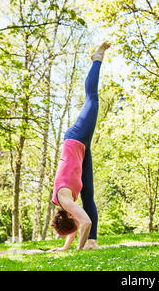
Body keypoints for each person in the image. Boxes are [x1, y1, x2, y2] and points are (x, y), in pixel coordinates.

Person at [48, 42, 110, 252]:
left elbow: (84, 223)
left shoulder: (65, 200)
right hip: (81, 151)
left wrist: (76, 250)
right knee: (89, 196)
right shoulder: (65, 205)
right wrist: (65, 248)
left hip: (75, 139)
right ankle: (92, 242)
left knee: (91, 98)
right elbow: (77, 225)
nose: (76, 217)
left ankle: (96, 59)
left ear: (68, 215)